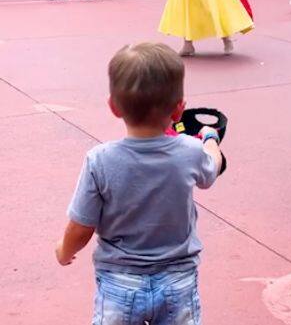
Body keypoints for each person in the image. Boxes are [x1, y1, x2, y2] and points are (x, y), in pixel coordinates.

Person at [55, 42, 223, 324]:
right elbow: (212, 169)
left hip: (120, 283)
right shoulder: (190, 152)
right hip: (178, 279)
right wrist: (210, 139)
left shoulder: (100, 160)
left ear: (113, 107)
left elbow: (81, 227)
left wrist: (64, 251)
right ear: (179, 110)